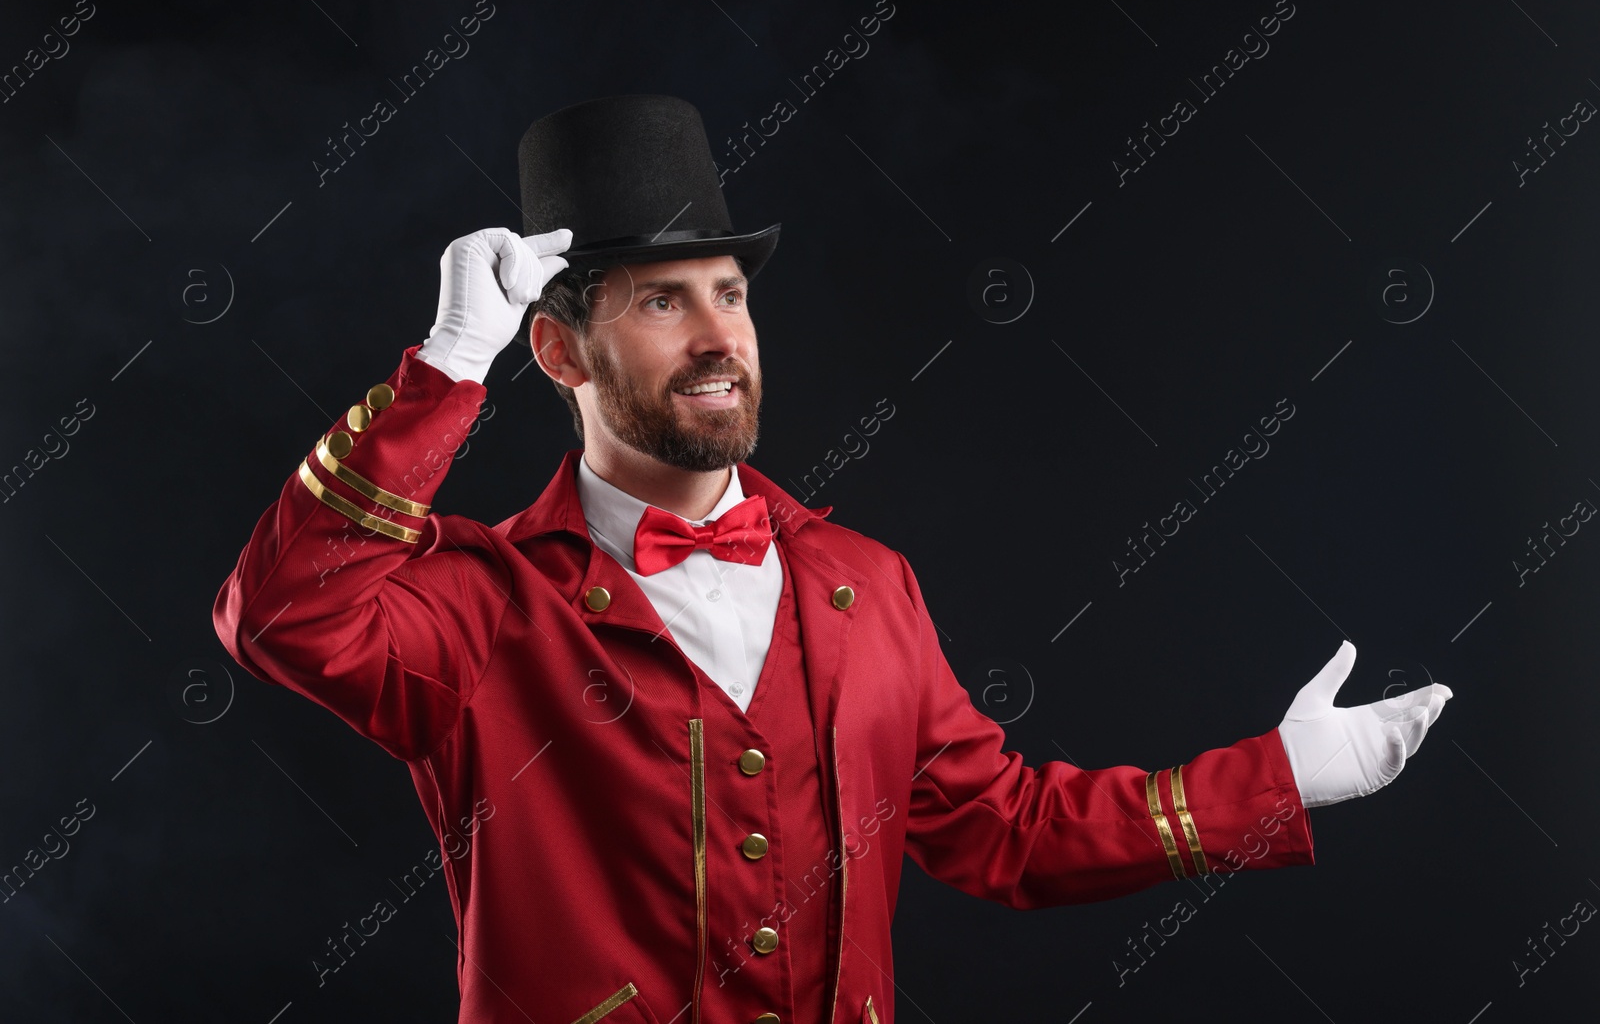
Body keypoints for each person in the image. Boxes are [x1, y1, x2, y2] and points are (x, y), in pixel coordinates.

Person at [213, 94, 1452, 1024]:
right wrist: (442, 370)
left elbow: (1005, 831)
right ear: (557, 352)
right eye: (660, 302)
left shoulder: (866, 581)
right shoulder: (479, 602)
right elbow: (279, 615)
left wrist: (1276, 778)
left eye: (729, 294)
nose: (716, 337)